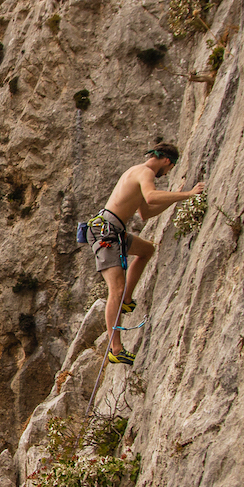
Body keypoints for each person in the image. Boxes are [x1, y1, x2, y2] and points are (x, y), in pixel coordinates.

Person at [87, 143, 205, 365]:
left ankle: (126, 300)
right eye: (169, 170)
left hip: (113, 230)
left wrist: (177, 198)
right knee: (116, 288)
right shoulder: (146, 172)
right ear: (168, 161)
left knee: (146, 250)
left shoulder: (137, 172)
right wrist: (187, 194)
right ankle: (116, 348)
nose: (166, 174)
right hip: (106, 232)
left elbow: (146, 213)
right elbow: (151, 197)